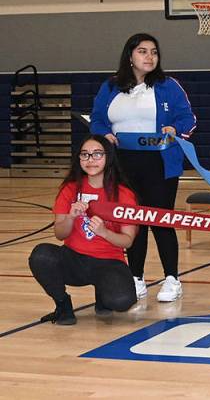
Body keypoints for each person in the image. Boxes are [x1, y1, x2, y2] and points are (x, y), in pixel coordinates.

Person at [90, 33, 194, 303]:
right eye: (143, 51)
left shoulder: (168, 85)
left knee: (161, 220)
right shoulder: (110, 86)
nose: (150, 57)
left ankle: (172, 278)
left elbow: (188, 118)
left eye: (154, 52)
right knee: (132, 221)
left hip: (159, 163)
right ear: (130, 56)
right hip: (123, 164)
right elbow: (98, 119)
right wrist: (105, 135)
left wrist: (176, 129)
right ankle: (136, 277)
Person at [29, 136, 139, 325]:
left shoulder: (124, 194)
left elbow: (127, 241)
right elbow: (60, 234)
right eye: (85, 155)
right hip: (74, 258)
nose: (90, 160)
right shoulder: (69, 189)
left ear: (108, 157)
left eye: (97, 154)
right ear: (79, 159)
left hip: (109, 261)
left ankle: (103, 295)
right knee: (41, 255)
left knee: (121, 301)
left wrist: (104, 232)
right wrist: (71, 217)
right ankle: (63, 305)